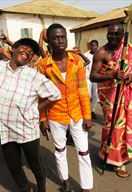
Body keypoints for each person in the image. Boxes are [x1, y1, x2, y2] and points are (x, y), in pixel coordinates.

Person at [0, 37, 61, 192]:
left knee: (35, 165)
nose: (28, 53)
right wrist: (0, 50)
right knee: (14, 166)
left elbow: (55, 94)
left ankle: (42, 189)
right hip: (5, 130)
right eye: (24, 48)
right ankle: (26, 189)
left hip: (27, 129)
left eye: (31, 52)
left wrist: (37, 109)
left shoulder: (32, 75)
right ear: (13, 49)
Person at [39, 23, 93, 192]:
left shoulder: (76, 60)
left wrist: (88, 116)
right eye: (56, 37)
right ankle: (65, 182)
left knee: (83, 152)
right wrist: (43, 118)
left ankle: (86, 187)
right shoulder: (43, 65)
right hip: (56, 115)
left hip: (77, 114)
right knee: (60, 150)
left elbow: (83, 90)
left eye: (63, 36)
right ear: (50, 41)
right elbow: (41, 94)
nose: (60, 40)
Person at [90, 23, 132, 177]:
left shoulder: (129, 50)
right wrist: (113, 75)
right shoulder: (102, 53)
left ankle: (120, 160)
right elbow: (93, 76)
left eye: (117, 34)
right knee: (114, 127)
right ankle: (111, 155)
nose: (113, 37)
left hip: (127, 95)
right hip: (110, 97)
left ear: (123, 34)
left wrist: (130, 76)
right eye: (110, 34)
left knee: (125, 127)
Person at [84, 40, 99, 118]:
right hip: (87, 77)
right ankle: (87, 110)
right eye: (91, 45)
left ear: (97, 46)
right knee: (88, 95)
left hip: (96, 78)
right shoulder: (86, 55)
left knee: (95, 95)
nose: (93, 47)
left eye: (94, 45)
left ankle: (93, 111)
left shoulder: (99, 54)